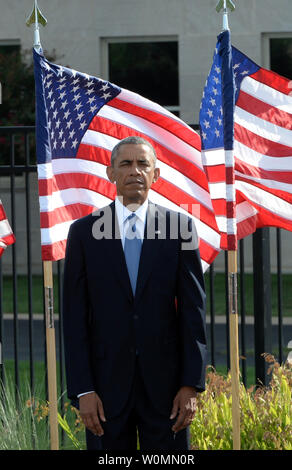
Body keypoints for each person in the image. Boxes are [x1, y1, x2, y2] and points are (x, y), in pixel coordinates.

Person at [62, 136, 207, 451]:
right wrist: (83, 389)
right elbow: (74, 318)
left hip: (168, 392)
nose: (134, 171)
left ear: (156, 175)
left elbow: (193, 312)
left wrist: (190, 385)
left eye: (143, 163)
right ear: (111, 172)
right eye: (125, 164)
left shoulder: (180, 229)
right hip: (103, 392)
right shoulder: (83, 233)